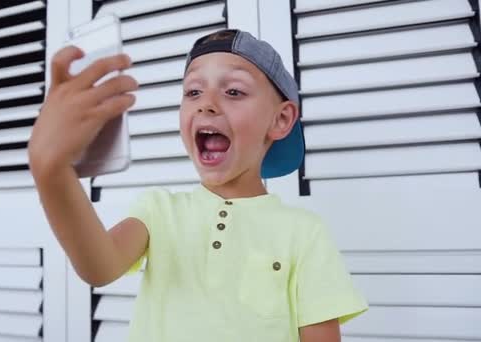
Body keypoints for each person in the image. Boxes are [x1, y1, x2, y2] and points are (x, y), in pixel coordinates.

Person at [28, 28, 368, 342]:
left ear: (280, 120)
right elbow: (98, 266)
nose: (206, 103)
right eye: (193, 91)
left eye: (233, 91)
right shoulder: (158, 211)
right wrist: (52, 172)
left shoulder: (304, 233)